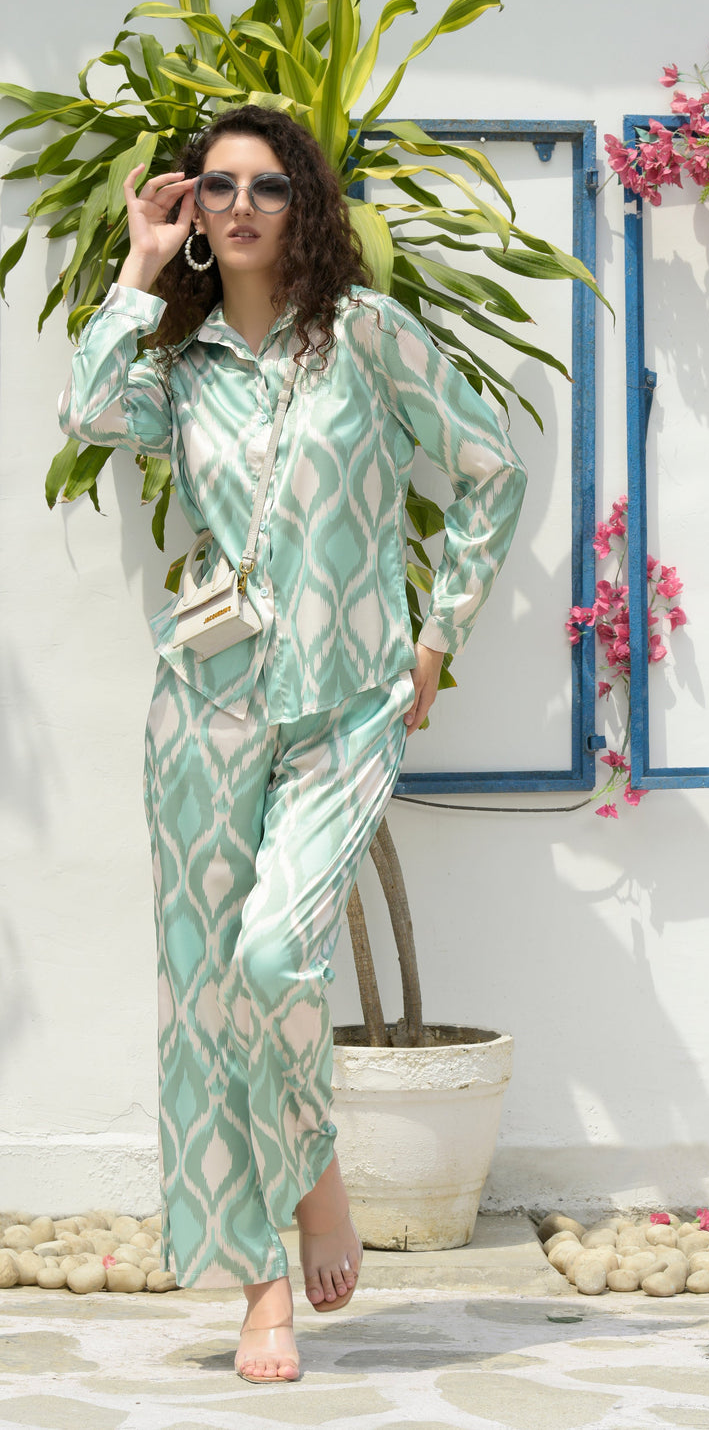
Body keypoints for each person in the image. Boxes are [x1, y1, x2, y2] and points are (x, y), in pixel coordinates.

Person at [57, 105, 527, 1384]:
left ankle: (314, 1177)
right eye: (217, 187)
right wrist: (137, 264)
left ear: (304, 202)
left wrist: (438, 633)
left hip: (348, 700)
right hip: (205, 704)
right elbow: (89, 411)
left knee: (273, 954)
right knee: (208, 989)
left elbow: (489, 469)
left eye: (267, 185)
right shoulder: (181, 361)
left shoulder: (369, 336)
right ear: (194, 210)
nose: (240, 206)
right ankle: (264, 1284)